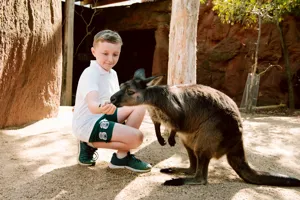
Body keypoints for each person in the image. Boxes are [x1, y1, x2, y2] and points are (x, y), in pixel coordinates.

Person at [72, 30, 152, 172]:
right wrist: (101, 107)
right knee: (137, 138)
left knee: (140, 105)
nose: (110, 59)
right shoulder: (90, 73)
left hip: (103, 117)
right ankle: (89, 143)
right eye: (105, 53)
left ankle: (121, 158)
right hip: (89, 124)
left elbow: (115, 102)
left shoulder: (112, 73)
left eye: (115, 54)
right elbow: (92, 105)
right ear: (93, 51)